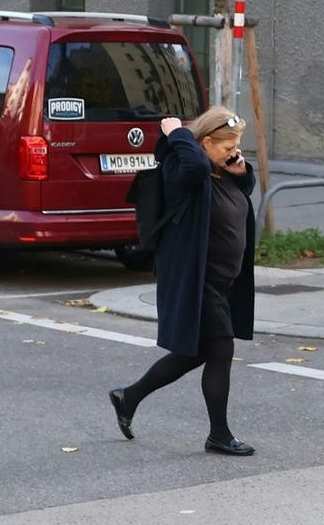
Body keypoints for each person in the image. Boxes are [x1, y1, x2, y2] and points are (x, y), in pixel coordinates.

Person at [110, 106, 259, 455]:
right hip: (198, 280)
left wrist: (241, 171)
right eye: (228, 147)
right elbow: (193, 165)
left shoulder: (220, 171)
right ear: (205, 143)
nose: (234, 152)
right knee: (221, 348)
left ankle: (128, 397)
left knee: (197, 353)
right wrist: (178, 132)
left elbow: (241, 192)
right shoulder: (182, 171)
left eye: (237, 146)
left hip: (223, 282)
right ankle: (219, 435)